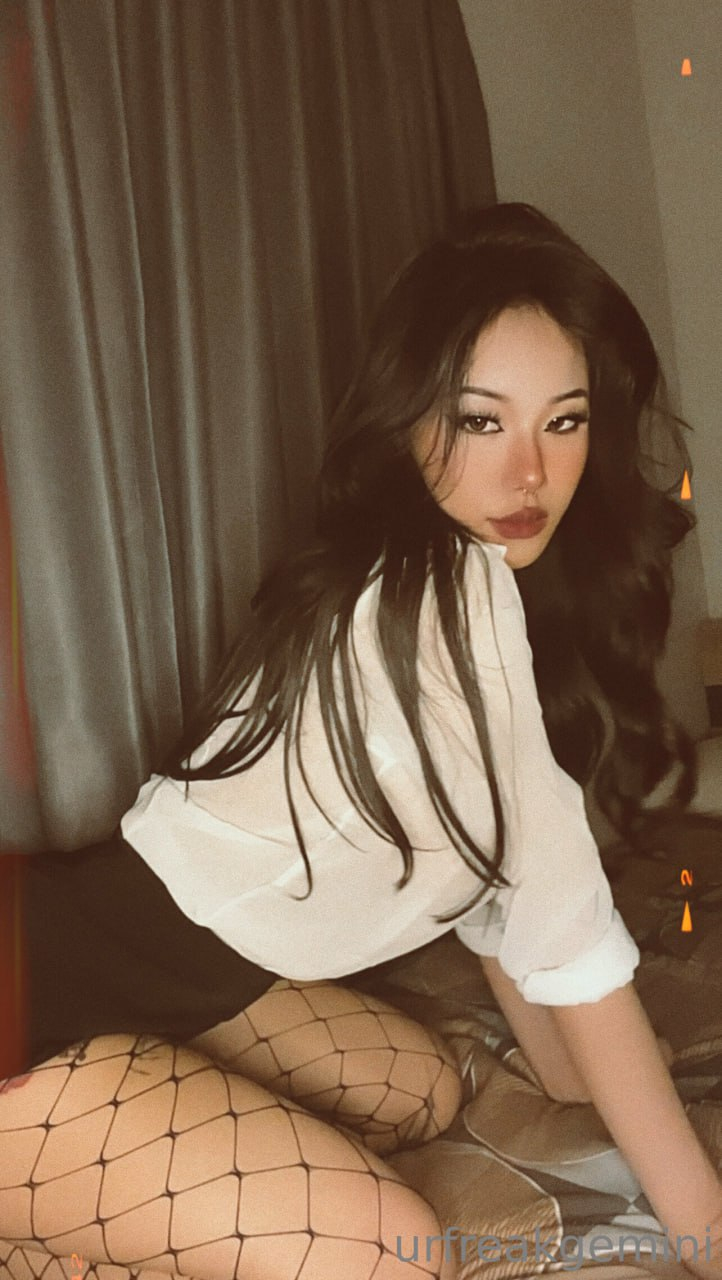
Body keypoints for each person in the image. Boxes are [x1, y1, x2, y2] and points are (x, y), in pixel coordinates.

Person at [1, 201, 721, 1280]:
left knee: (420, 1088)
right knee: (387, 1247)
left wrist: (574, 1075)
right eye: (481, 421)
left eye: (564, 422)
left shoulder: (434, 577)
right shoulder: (434, 587)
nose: (530, 471)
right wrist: (706, 1231)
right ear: (409, 419)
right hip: (38, 984)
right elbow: (569, 933)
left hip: (161, 970)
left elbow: (505, 888)